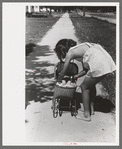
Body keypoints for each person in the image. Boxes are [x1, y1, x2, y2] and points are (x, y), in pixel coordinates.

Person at [54, 40, 116, 122]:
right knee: (90, 84)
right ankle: (91, 109)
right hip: (104, 60)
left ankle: (87, 116)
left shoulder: (70, 53)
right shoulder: (80, 48)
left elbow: (63, 71)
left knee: (84, 87)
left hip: (99, 63)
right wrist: (76, 76)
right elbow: (85, 70)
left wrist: (58, 79)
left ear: (62, 51)